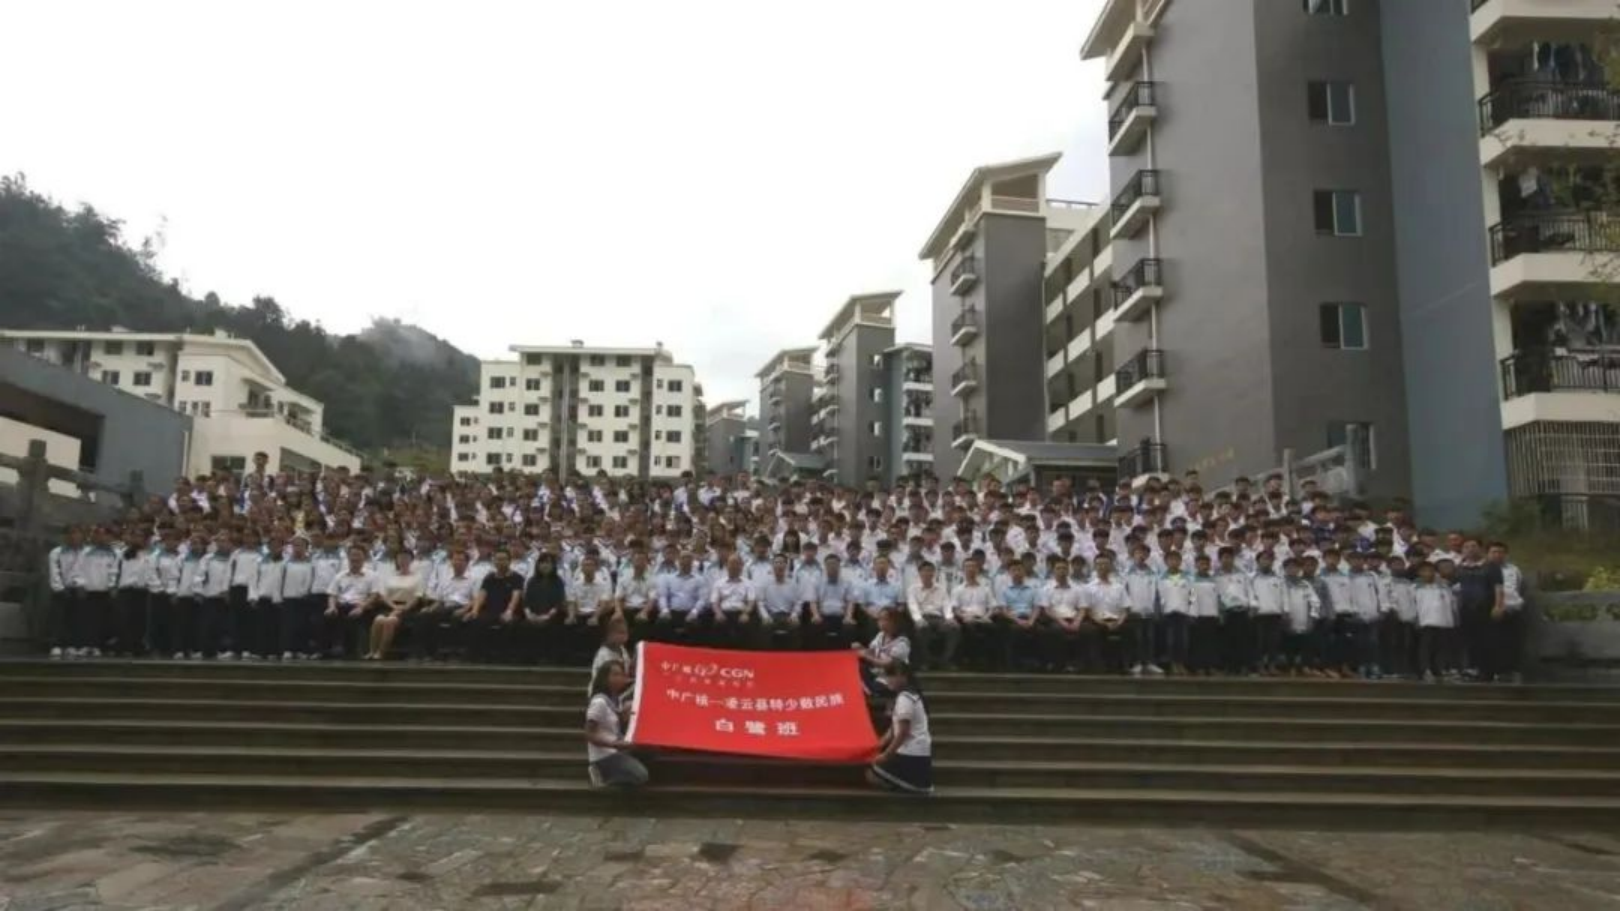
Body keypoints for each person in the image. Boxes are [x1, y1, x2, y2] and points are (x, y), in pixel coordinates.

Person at [866, 660, 932, 796]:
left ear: (903, 676)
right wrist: (878, 744)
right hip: (917, 752)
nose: (888, 680)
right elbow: (893, 729)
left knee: (871, 774)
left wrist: (886, 755)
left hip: (911, 754)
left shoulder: (905, 699)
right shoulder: (910, 696)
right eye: (887, 676)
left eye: (891, 676)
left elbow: (902, 732)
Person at [585, 659, 648, 788]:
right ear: (605, 678)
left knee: (649, 751)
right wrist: (616, 744)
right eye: (615, 674)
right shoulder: (599, 702)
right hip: (604, 756)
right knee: (641, 776)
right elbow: (589, 734)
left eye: (621, 675)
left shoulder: (616, 701)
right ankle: (602, 775)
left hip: (617, 750)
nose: (620, 678)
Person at [369, 549, 424, 660]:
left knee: (390, 621)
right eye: (400, 558)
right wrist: (393, 607)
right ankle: (372, 651)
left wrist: (402, 609)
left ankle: (381, 653)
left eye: (406, 558)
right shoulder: (390, 576)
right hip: (390, 606)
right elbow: (383, 595)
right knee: (379, 619)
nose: (403, 560)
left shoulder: (417, 577)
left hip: (408, 608)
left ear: (411, 560)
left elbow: (417, 597)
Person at [853, 606, 912, 695]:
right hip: (877, 674)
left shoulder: (902, 642)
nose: (882, 623)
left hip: (893, 679)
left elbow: (887, 664)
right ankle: (866, 688)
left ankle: (868, 689)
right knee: (859, 667)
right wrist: (860, 648)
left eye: (885, 620)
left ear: (895, 622)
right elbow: (872, 651)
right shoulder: (880, 635)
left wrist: (866, 656)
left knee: (874, 687)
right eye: (879, 620)